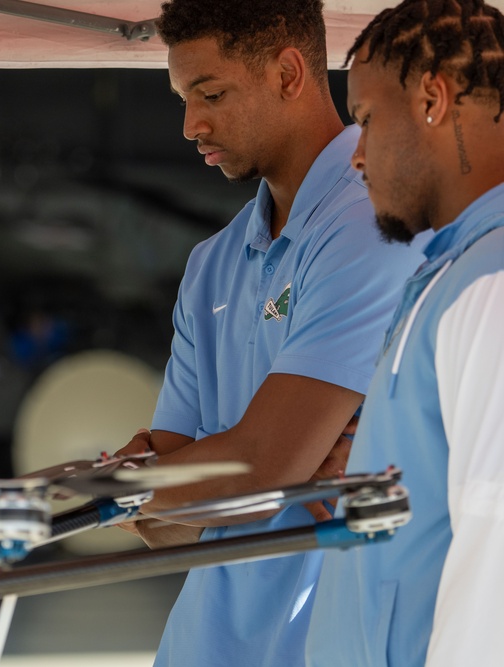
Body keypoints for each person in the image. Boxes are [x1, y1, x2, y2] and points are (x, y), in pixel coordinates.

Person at [113, 1, 429, 665]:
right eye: (182, 98)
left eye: (212, 94)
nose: (191, 124)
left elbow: (255, 472)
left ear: (289, 73)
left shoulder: (375, 224)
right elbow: (163, 529)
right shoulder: (212, 265)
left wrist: (193, 474)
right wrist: (194, 480)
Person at [305, 1, 504, 665]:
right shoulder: (452, 272)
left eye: (364, 121)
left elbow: (492, 555)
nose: (356, 157)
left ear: (432, 98)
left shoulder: (490, 286)